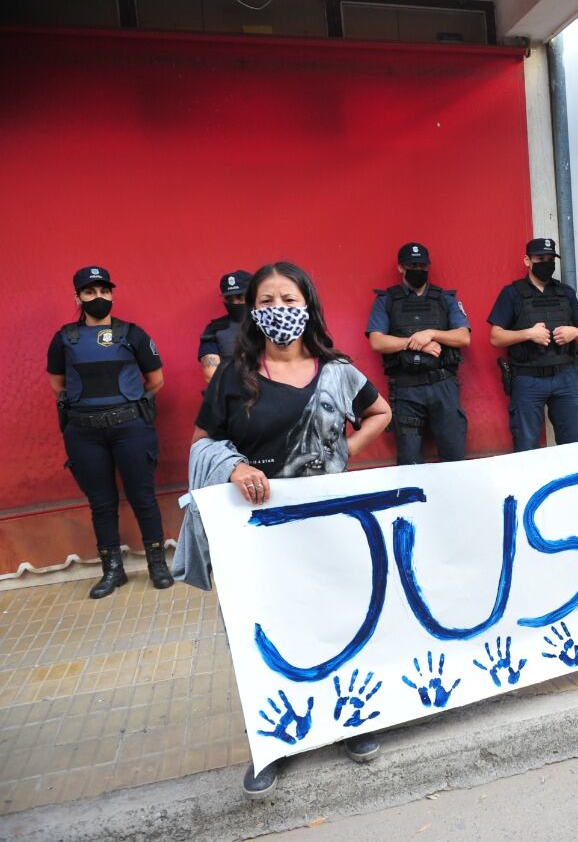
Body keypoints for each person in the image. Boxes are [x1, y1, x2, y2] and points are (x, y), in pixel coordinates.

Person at [193, 261, 392, 798]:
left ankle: (354, 719)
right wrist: (233, 468)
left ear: (308, 305)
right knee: (266, 631)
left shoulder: (338, 370)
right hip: (258, 529)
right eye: (268, 301)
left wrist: (341, 452)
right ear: (251, 311)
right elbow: (202, 441)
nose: (280, 310)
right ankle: (271, 740)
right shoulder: (235, 378)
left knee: (338, 618)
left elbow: (380, 412)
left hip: (328, 522)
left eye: (289, 299)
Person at [47, 266, 172, 598]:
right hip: (85, 433)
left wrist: (127, 408)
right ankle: (112, 571)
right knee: (101, 503)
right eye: (90, 292)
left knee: (142, 497)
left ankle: (157, 565)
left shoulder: (133, 334)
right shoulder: (63, 338)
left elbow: (156, 380)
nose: (98, 298)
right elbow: (57, 384)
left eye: (104, 291)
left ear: (112, 295)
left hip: (130, 428)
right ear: (78, 297)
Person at [366, 242, 470, 464]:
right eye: (412, 265)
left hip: (443, 386)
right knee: (409, 460)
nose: (418, 269)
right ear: (401, 268)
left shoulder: (445, 299)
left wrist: (431, 333)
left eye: (422, 265)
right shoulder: (387, 300)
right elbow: (377, 341)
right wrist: (416, 343)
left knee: (454, 457)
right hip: (406, 389)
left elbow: (463, 337)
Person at [487, 238, 578, 451]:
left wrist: (573, 332)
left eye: (551, 259)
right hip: (527, 379)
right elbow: (495, 337)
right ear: (527, 260)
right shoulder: (512, 293)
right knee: (526, 447)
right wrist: (528, 334)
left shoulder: (566, 292)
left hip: (564, 377)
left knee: (574, 445)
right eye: (540, 258)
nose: (547, 263)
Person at [197, 270, 251, 384]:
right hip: (230, 397)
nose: (235, 303)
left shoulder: (267, 324)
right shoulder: (214, 329)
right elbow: (211, 375)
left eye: (240, 297)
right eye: (229, 299)